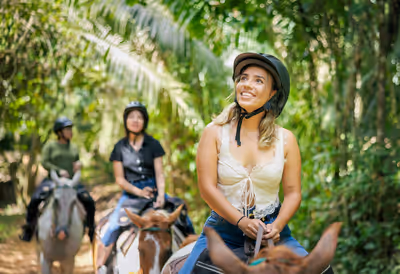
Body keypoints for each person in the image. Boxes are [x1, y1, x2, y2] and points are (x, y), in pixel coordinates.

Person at [179, 52, 333, 274]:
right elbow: (207, 188)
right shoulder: (213, 133)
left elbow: (292, 194)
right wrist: (241, 221)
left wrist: (278, 225)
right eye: (243, 78)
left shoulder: (286, 139)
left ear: (272, 93)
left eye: (258, 80)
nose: (247, 85)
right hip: (223, 233)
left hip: (273, 232)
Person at [96, 101, 195, 273]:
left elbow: (159, 174)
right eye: (132, 116)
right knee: (111, 227)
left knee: (184, 217)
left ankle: (194, 256)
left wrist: (160, 196)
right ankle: (101, 266)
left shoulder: (154, 144)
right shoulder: (120, 147)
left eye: (139, 117)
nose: (135, 120)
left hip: (155, 192)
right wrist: (139, 192)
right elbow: (120, 179)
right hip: (132, 195)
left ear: (144, 121)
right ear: (126, 120)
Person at [20, 117, 96, 243]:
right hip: (53, 181)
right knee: (35, 199)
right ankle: (29, 229)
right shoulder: (50, 146)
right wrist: (58, 170)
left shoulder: (74, 148)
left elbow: (76, 162)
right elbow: (44, 162)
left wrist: (79, 164)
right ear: (59, 132)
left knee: (89, 200)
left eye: (71, 129)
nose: (71, 132)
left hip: (71, 183)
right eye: (67, 129)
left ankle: (91, 229)